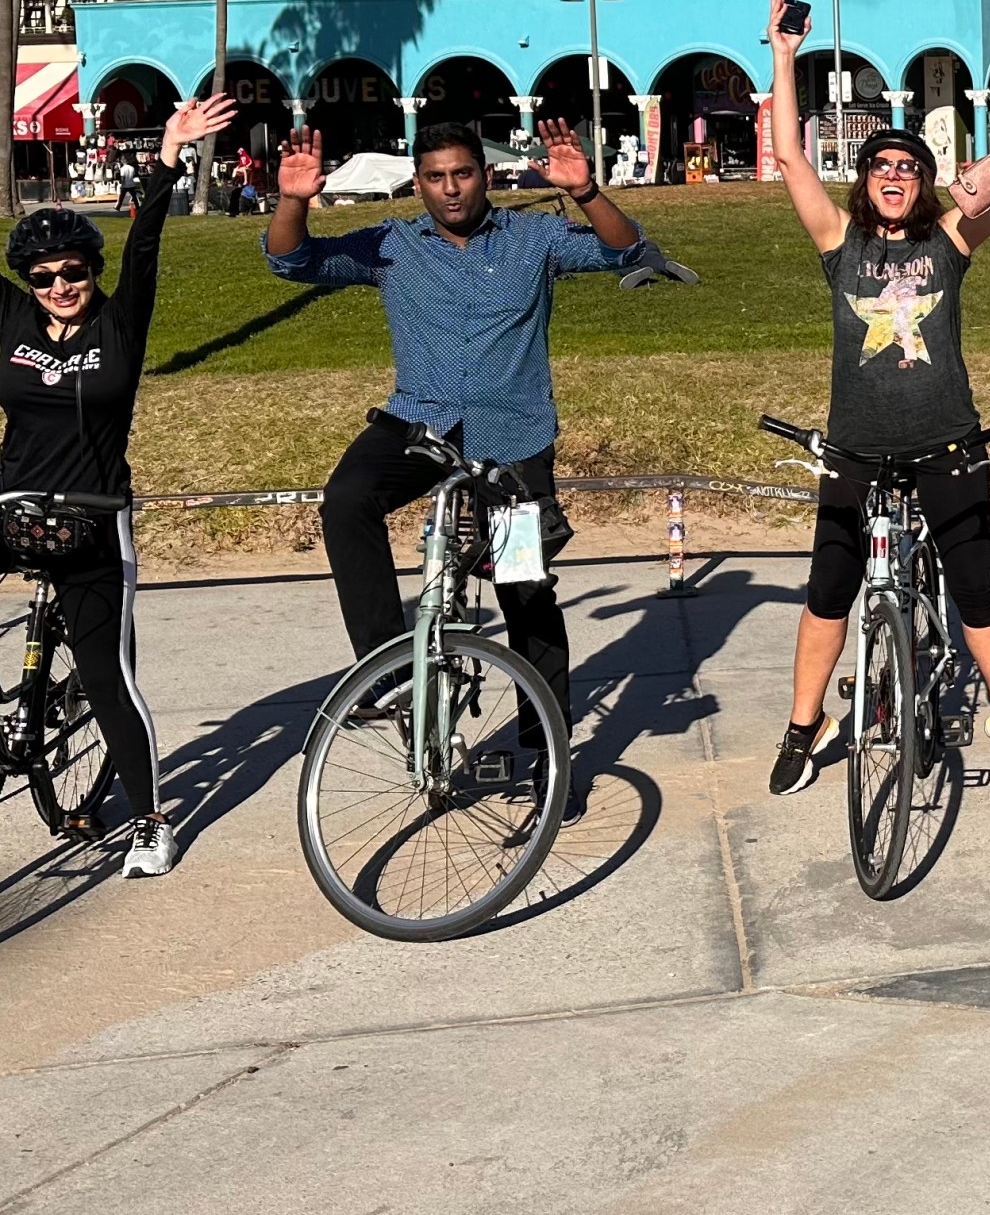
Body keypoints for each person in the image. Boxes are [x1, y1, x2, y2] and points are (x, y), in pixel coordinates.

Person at [264, 118, 643, 815]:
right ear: (419, 183)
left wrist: (587, 191)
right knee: (346, 497)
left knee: (524, 588)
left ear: (486, 175)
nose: (450, 189)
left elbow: (626, 251)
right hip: (422, 421)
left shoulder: (533, 239)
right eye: (435, 177)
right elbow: (292, 262)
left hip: (512, 437)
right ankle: (387, 670)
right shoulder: (393, 244)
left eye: (462, 174)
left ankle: (548, 755)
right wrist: (293, 202)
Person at [761, 0, 990, 797]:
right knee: (828, 588)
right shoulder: (838, 242)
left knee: (978, 589)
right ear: (864, 182)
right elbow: (788, 155)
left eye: (909, 168)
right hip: (853, 447)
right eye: (882, 167)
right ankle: (804, 724)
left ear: (925, 183)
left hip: (948, 444)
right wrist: (784, 56)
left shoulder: (950, 241)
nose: (895, 177)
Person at [0, 93, 236, 877]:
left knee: (106, 676)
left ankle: (147, 820)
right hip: (12, 505)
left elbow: (144, 245)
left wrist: (167, 158)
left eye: (74, 273)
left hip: (95, 517)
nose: (61, 286)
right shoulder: (11, 323)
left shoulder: (118, 324)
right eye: (44, 277)